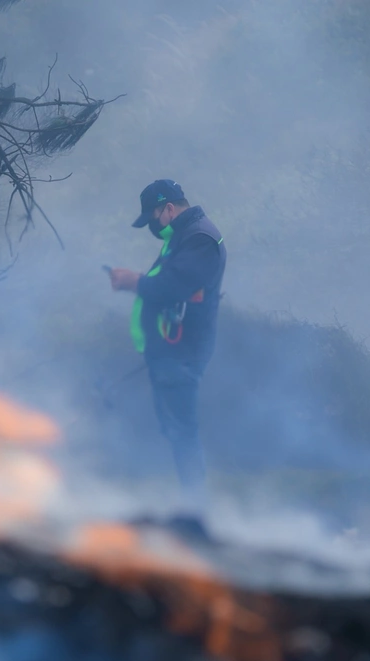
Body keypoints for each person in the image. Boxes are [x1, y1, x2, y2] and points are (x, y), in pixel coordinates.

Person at [108, 179, 227, 531]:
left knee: (181, 430)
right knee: (174, 429)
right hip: (170, 350)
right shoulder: (184, 236)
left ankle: (196, 513)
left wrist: (133, 282)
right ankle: (190, 510)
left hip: (182, 352)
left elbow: (173, 286)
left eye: (153, 218)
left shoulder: (200, 238)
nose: (153, 226)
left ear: (169, 208)